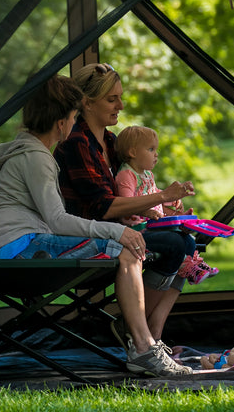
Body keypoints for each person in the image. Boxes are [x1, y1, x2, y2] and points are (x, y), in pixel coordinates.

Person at [0, 74, 192, 377]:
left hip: (21, 244)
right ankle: (144, 348)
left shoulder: (33, 152)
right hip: (21, 250)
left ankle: (143, 342)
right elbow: (57, 220)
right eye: (73, 116)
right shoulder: (36, 158)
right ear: (60, 123)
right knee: (126, 248)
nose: (75, 122)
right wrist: (117, 230)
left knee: (139, 245)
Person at [55, 63, 196, 353]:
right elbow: (103, 208)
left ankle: (149, 330)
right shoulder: (77, 142)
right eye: (112, 99)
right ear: (86, 102)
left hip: (120, 228)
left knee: (189, 240)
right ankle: (137, 330)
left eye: (120, 97)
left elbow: (135, 191)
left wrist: (168, 203)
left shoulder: (111, 141)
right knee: (172, 244)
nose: (121, 105)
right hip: (89, 232)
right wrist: (159, 199)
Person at [115, 125, 219, 285]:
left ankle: (194, 265)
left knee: (189, 240)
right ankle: (187, 267)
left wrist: (172, 200)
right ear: (133, 152)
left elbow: (154, 192)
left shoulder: (147, 174)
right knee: (173, 241)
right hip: (137, 233)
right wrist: (147, 211)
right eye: (150, 149)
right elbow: (126, 204)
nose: (156, 154)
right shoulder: (126, 176)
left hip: (153, 227)